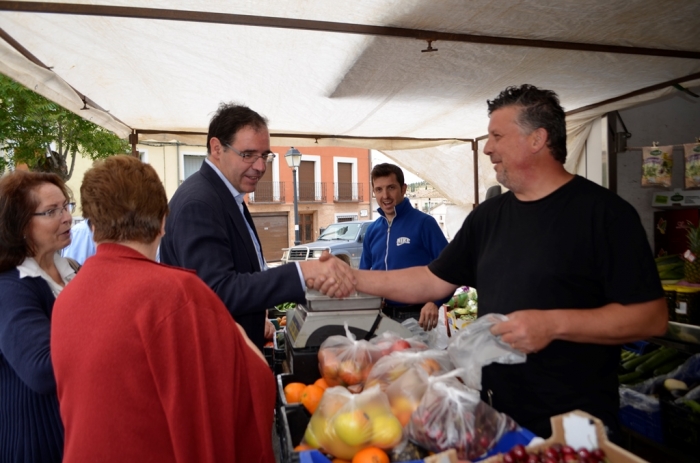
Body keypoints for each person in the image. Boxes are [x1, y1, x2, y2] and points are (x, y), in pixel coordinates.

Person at [316, 84, 667, 441]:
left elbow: (650, 317)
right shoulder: (489, 217)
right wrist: (352, 277)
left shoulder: (605, 215)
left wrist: (554, 324)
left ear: (537, 139)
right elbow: (430, 280)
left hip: (576, 422)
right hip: (496, 414)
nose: (487, 147)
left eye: (497, 135)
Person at [51, 155, 276, 462]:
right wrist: (236, 334)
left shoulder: (66, 297)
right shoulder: (179, 294)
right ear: (162, 222)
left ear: (92, 227)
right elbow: (255, 385)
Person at [160, 103, 354, 349]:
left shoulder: (224, 196)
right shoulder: (199, 204)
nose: (261, 166)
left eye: (264, 155)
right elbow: (218, 292)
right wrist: (302, 273)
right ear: (217, 148)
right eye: (248, 154)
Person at [0, 170, 77, 463]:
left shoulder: (72, 269)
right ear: (20, 226)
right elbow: (42, 369)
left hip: (73, 438)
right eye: (51, 211)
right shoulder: (10, 288)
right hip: (36, 446)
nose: (67, 217)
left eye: (67, 206)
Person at [360, 163, 448, 330]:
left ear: (403, 188)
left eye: (391, 187)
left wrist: (434, 303)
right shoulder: (372, 230)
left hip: (418, 317)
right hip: (381, 317)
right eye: (379, 189)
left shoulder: (424, 224)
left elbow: (450, 268)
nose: (385, 195)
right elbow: (363, 275)